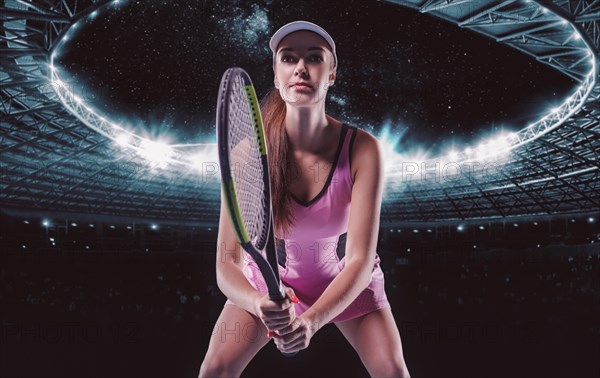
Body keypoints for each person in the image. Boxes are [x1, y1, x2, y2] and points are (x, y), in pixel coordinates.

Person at [199, 20, 410, 377]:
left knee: (393, 372)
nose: (300, 67)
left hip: (345, 285)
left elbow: (359, 260)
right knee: (215, 370)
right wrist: (259, 302)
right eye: (288, 58)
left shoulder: (363, 150)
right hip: (271, 287)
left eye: (314, 57)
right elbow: (226, 262)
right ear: (276, 74)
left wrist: (310, 322)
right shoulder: (246, 155)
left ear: (331, 74)